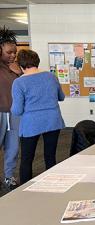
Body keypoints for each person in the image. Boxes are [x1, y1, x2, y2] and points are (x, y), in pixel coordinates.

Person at [11, 49, 65, 184]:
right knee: (50, 156)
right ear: (37, 62)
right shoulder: (51, 76)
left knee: (27, 159)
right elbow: (61, 97)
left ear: (21, 66)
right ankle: (51, 185)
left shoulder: (19, 83)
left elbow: (17, 110)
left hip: (31, 124)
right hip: (53, 120)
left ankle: (24, 191)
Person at [0, 26, 22, 189]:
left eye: (15, 52)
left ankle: (8, 177)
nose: (13, 55)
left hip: (14, 114)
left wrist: (19, 73)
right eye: (9, 52)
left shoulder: (16, 69)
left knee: (13, 148)